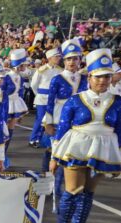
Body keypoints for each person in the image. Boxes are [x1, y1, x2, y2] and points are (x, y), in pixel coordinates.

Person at [50, 49, 121, 223]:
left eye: (107, 76)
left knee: (88, 195)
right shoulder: (76, 100)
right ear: (90, 77)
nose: (103, 81)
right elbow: (62, 129)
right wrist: (54, 157)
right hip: (76, 147)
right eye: (98, 76)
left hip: (103, 150)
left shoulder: (118, 101)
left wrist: (120, 159)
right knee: (73, 191)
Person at [43, 40, 88, 206]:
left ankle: (62, 185)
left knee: (69, 153)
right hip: (58, 116)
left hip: (78, 119)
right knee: (53, 152)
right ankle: (49, 183)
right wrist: (48, 122)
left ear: (79, 60)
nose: (72, 62)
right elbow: (49, 101)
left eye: (75, 59)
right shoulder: (57, 79)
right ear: (64, 60)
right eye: (69, 59)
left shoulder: (85, 79)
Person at [29, 48, 62, 147]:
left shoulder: (60, 70)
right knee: (40, 119)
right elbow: (34, 85)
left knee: (51, 119)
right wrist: (38, 95)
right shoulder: (41, 70)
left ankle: (45, 140)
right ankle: (34, 139)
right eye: (56, 57)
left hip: (55, 98)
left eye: (59, 56)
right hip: (42, 98)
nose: (59, 58)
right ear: (50, 58)